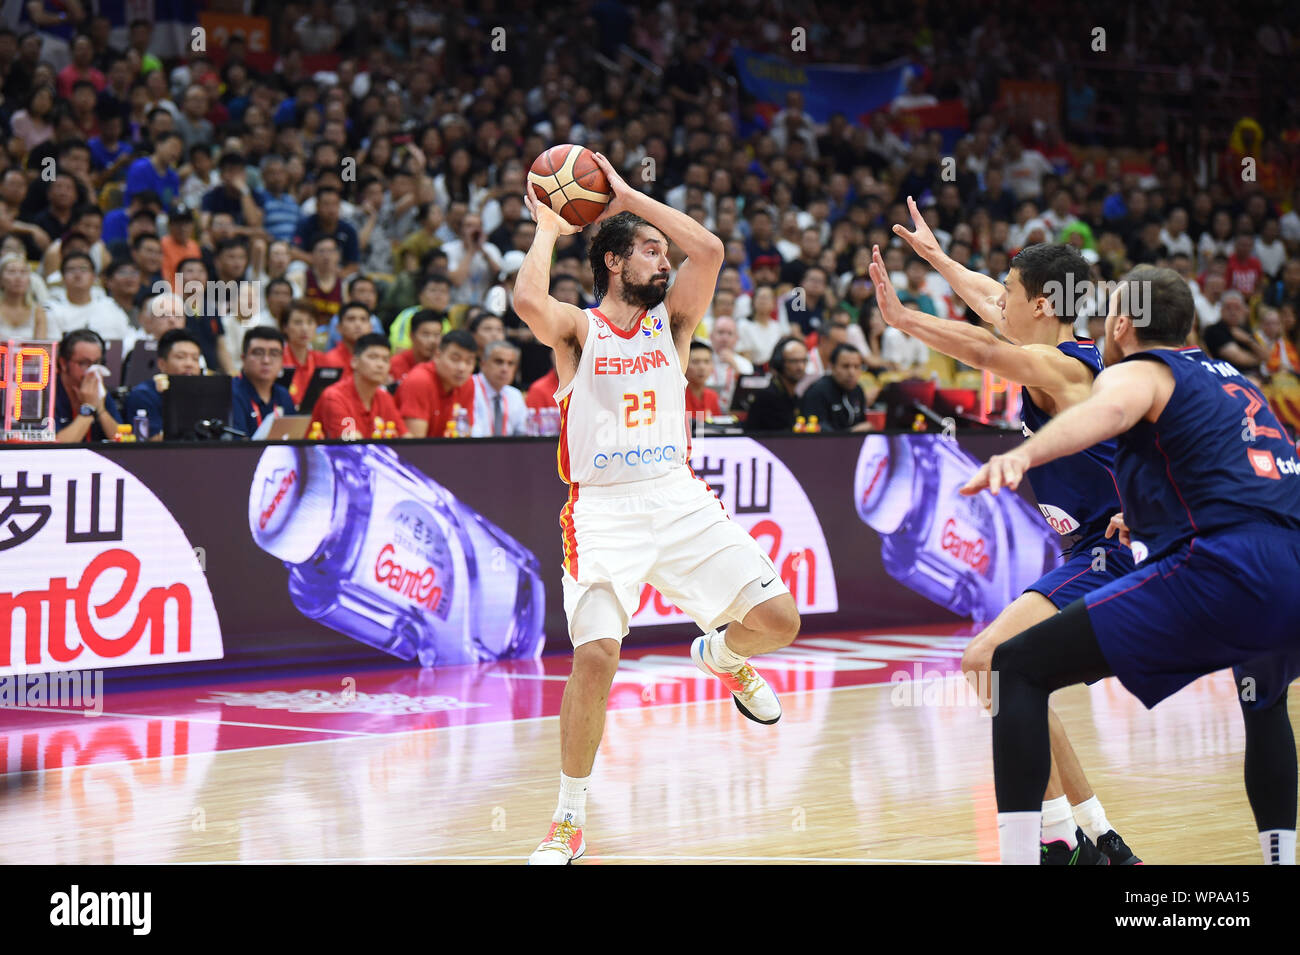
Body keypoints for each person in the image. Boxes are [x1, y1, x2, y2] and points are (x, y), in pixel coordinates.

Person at [515, 152, 800, 864]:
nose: (665, 260)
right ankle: (567, 818)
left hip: (677, 495)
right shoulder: (579, 331)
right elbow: (526, 303)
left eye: (662, 252)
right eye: (649, 249)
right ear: (613, 261)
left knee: (779, 620)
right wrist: (549, 227)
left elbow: (709, 248)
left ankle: (725, 655)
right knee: (598, 656)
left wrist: (626, 195)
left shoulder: (672, 324)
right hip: (602, 509)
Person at [966, 265, 1300, 866]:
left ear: (1123, 325)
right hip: (1291, 567)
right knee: (1265, 701)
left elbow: (1108, 414)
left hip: (1227, 567)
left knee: (1008, 666)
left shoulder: (1141, 372)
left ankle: (1041, 850)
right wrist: (1147, 516)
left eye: (1108, 313)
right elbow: (1241, 475)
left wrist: (1023, 455)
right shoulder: (1238, 383)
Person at [879, 196, 1141, 863]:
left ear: (1045, 305)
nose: (999, 302)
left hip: (1115, 552)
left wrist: (904, 317)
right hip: (1091, 547)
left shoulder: (1064, 368)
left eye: (1012, 294)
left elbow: (979, 344)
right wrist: (938, 260)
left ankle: (1054, 841)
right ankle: (1102, 837)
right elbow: (990, 307)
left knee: (988, 661)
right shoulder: (1055, 341)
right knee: (1022, 675)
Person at [309, 332, 408, 440]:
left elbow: (406, 440)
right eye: (373, 357)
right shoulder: (334, 396)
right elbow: (352, 445)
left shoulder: (385, 398)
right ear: (354, 362)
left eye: (385, 359)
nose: (380, 365)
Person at [124, 328, 204, 440]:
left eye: (195, 359)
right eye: (180, 357)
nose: (189, 364)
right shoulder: (143, 395)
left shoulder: (205, 394)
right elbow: (151, 442)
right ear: (162, 364)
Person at [397, 328, 477, 437]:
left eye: (469, 362)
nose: (462, 368)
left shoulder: (467, 382)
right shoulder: (419, 380)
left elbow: (465, 438)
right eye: (455, 359)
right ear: (437, 356)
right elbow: (415, 445)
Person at [54, 328, 121, 441]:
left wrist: (100, 409)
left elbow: (122, 441)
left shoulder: (98, 389)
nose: (92, 370)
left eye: (96, 363)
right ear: (64, 363)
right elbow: (56, 446)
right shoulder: (49, 393)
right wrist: (88, 409)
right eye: (84, 363)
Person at [45, 251, 132, 340]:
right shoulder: (52, 309)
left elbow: (127, 337)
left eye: (83, 269)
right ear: (62, 278)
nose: (77, 275)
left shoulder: (109, 305)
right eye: (71, 269)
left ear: (94, 276)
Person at [230, 326, 295, 437]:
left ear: (282, 361)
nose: (266, 360)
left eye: (274, 354)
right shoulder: (231, 393)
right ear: (243, 358)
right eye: (258, 353)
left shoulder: (283, 395)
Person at [799, 344, 870, 431]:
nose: (852, 372)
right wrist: (851, 433)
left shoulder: (858, 390)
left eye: (856, 367)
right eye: (845, 366)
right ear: (832, 367)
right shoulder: (817, 392)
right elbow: (818, 434)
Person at [744, 336, 806, 432]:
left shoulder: (797, 396)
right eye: (794, 361)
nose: (800, 367)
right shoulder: (766, 397)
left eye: (803, 360)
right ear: (779, 363)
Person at [470, 340, 528, 437]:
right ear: (483, 364)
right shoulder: (469, 388)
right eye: (499, 362)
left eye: (510, 363)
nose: (505, 369)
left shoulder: (515, 395)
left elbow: (524, 433)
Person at [279, 299, 329, 408]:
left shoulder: (322, 359)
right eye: (297, 322)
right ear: (285, 327)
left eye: (310, 322)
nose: (304, 328)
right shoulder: (277, 359)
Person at [705, 314, 753, 409]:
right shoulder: (701, 360)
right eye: (720, 332)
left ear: (736, 339)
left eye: (730, 334)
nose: (725, 338)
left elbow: (748, 396)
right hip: (705, 412)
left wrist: (735, 366)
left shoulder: (745, 364)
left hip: (734, 414)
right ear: (711, 336)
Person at [388, 309, 443, 386]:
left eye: (436, 335)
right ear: (412, 336)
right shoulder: (394, 364)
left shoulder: (444, 367)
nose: (432, 341)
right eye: (425, 334)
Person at [319, 301, 373, 377]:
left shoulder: (378, 362)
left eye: (363, 319)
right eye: (351, 319)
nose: (358, 324)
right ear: (339, 328)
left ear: (371, 328)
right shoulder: (329, 360)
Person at [684, 339, 722, 419]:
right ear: (684, 365)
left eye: (706, 361)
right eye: (695, 362)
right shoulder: (678, 396)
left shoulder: (712, 396)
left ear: (712, 366)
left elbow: (719, 427)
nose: (702, 367)